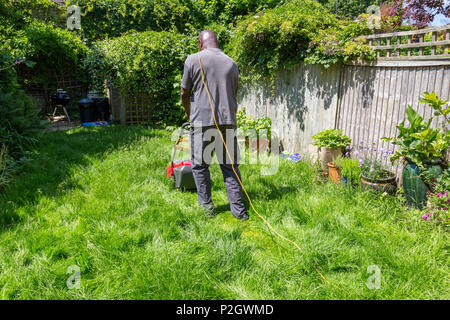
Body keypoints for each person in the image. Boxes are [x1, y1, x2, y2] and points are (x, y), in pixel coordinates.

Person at [180, 30, 248, 221]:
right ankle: (239, 212)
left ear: (200, 42)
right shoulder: (232, 63)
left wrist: (188, 111)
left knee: (200, 166)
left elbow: (184, 92)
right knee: (230, 167)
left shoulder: (193, 59)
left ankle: (207, 209)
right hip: (227, 122)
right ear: (216, 42)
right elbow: (234, 92)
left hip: (201, 122)